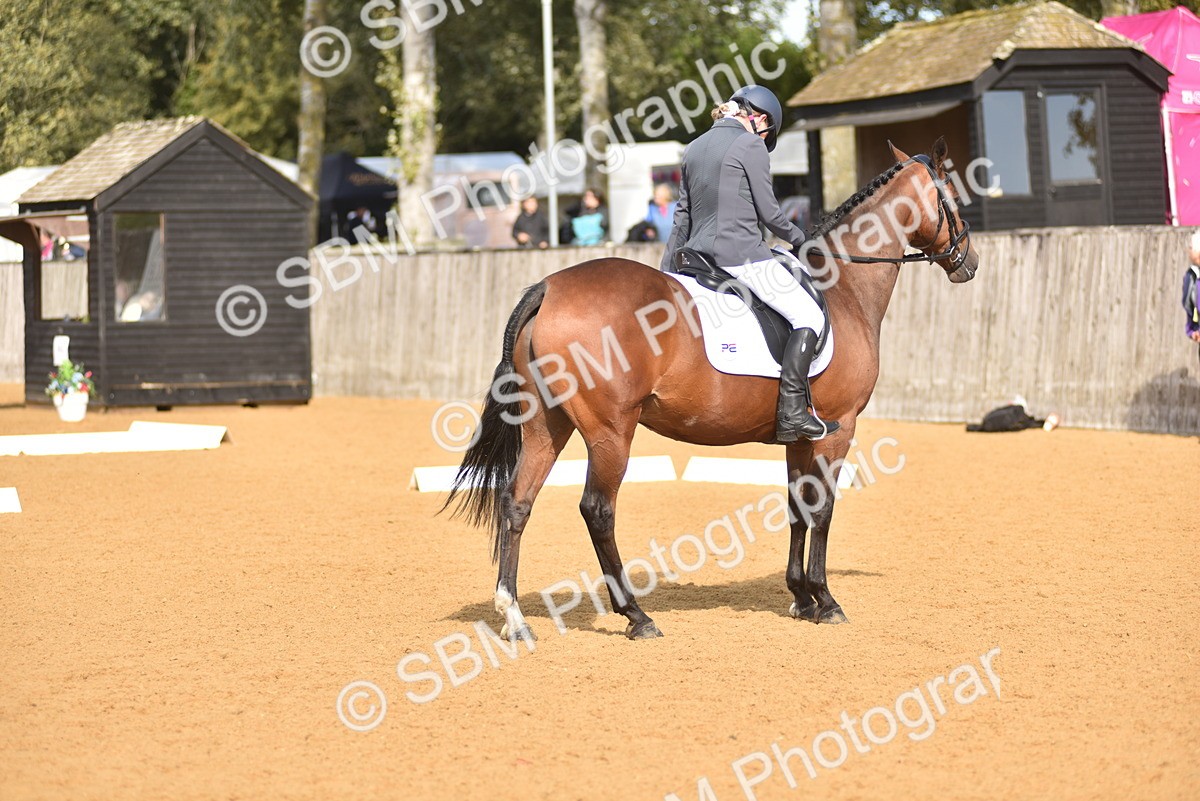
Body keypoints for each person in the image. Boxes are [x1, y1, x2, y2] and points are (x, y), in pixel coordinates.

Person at [660, 84, 837, 442]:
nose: (764, 136)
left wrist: (666, 271)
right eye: (767, 130)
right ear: (760, 118)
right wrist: (802, 239)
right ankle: (793, 413)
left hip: (695, 259)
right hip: (741, 257)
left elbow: (682, 216)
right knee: (809, 316)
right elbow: (770, 213)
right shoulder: (750, 145)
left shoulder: (694, 147)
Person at [1184, 230, 1200, 365]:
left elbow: (1189, 304)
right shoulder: (1192, 275)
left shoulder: (1192, 276)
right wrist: (1194, 329)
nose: (1189, 251)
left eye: (1191, 248)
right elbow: (1190, 305)